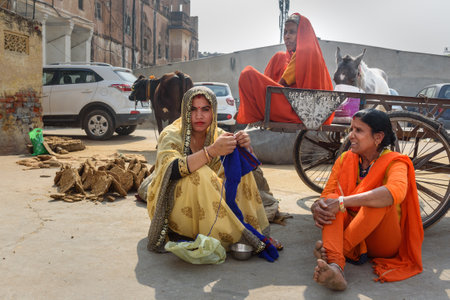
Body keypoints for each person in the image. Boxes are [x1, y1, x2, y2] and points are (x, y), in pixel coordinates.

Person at [146, 86, 281, 261]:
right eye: (193, 109)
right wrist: (210, 151)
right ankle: (240, 235)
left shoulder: (219, 135)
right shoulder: (171, 134)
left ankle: (244, 230)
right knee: (199, 174)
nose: (199, 116)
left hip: (211, 202)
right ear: (185, 110)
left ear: (213, 112)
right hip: (173, 204)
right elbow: (170, 170)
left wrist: (247, 149)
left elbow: (254, 173)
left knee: (239, 165)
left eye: (205, 109)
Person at [310, 109, 423, 290]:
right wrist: (317, 207)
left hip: (382, 241)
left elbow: (395, 192)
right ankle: (336, 267)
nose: (351, 136)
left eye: (358, 131)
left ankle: (336, 251)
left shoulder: (396, 162)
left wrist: (342, 202)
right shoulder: (345, 159)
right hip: (353, 228)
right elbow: (327, 195)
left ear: (378, 137)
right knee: (331, 199)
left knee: (379, 200)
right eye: (351, 129)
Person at [236, 13, 334, 125]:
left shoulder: (304, 53)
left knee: (247, 73)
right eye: (285, 32)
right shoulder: (311, 53)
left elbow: (280, 85)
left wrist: (260, 94)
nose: (287, 36)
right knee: (280, 57)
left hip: (298, 111)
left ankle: (256, 108)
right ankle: (257, 106)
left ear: (303, 34)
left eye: (292, 32)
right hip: (307, 110)